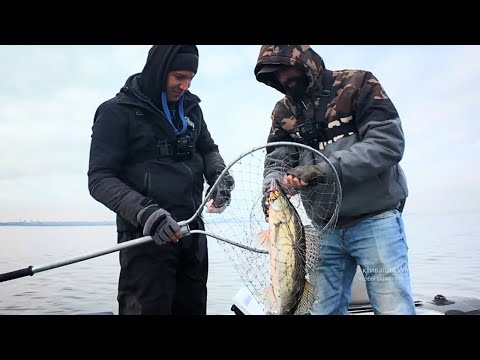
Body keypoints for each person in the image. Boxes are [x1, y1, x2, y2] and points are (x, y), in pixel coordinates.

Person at [254, 45, 415, 315]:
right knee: (322, 311)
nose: (282, 78)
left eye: (285, 68)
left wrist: (324, 170)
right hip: (323, 230)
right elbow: (276, 161)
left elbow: (387, 144)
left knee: (393, 308)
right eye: (275, 74)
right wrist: (272, 187)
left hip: (375, 221)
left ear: (304, 60)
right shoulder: (283, 112)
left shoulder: (358, 83)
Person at [88, 45, 234, 315]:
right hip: (145, 237)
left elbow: (209, 150)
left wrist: (219, 176)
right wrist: (147, 213)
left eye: (191, 78)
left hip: (192, 233)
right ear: (158, 70)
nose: (185, 85)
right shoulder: (116, 112)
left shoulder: (191, 110)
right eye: (179, 76)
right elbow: (99, 178)